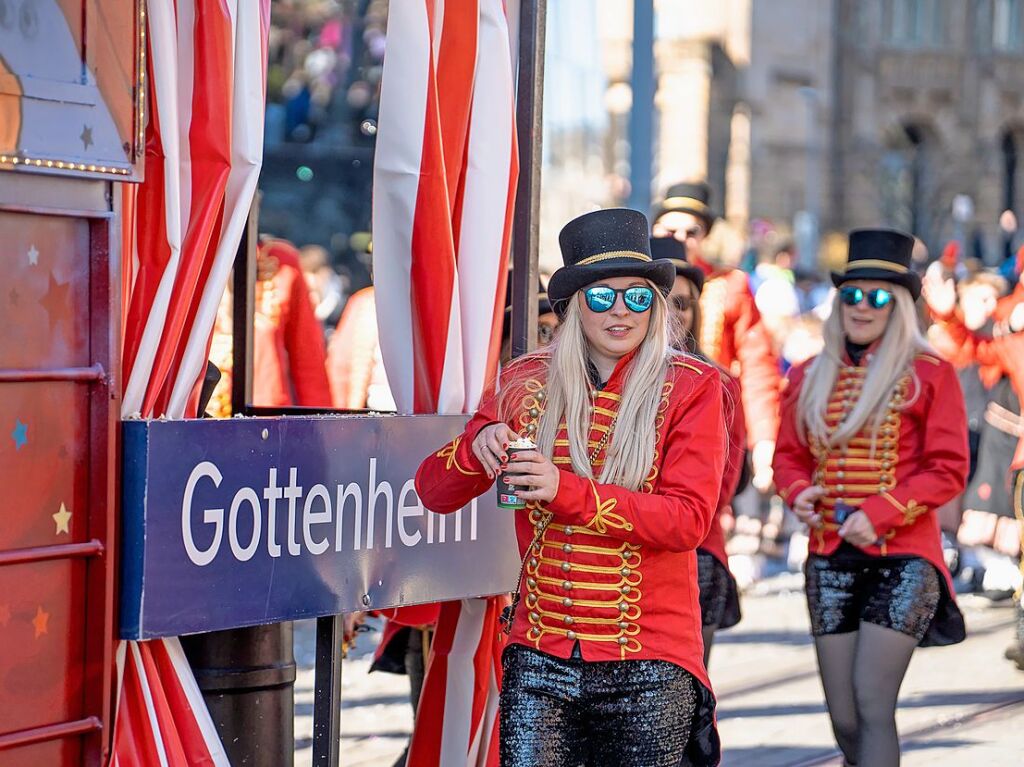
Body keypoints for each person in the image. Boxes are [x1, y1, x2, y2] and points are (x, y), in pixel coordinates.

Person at [415, 209, 725, 766]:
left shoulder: (692, 387)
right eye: (602, 297)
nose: (620, 312)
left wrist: (563, 489)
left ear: (656, 305)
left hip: (650, 661)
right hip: (540, 656)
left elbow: (687, 522)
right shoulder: (524, 380)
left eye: (637, 296)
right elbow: (434, 493)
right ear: (575, 305)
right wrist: (476, 444)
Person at [773, 228, 969, 767]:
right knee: (844, 718)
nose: (862, 305)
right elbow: (788, 456)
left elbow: (948, 469)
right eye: (852, 294)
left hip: (904, 557)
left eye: (878, 295)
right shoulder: (811, 373)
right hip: (829, 555)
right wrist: (799, 492)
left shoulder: (931, 373)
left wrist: (879, 514)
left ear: (900, 305)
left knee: (872, 702)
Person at [651, 237, 745, 665]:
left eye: (684, 304)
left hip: (694, 552)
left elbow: (720, 485)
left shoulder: (718, 382)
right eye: (663, 301)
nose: (674, 314)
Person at [652, 181, 780, 492]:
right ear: (655, 230)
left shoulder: (730, 284)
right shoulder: (632, 284)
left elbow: (756, 363)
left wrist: (763, 438)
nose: (681, 240)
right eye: (670, 232)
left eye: (691, 232)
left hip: (713, 418)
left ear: (705, 236)